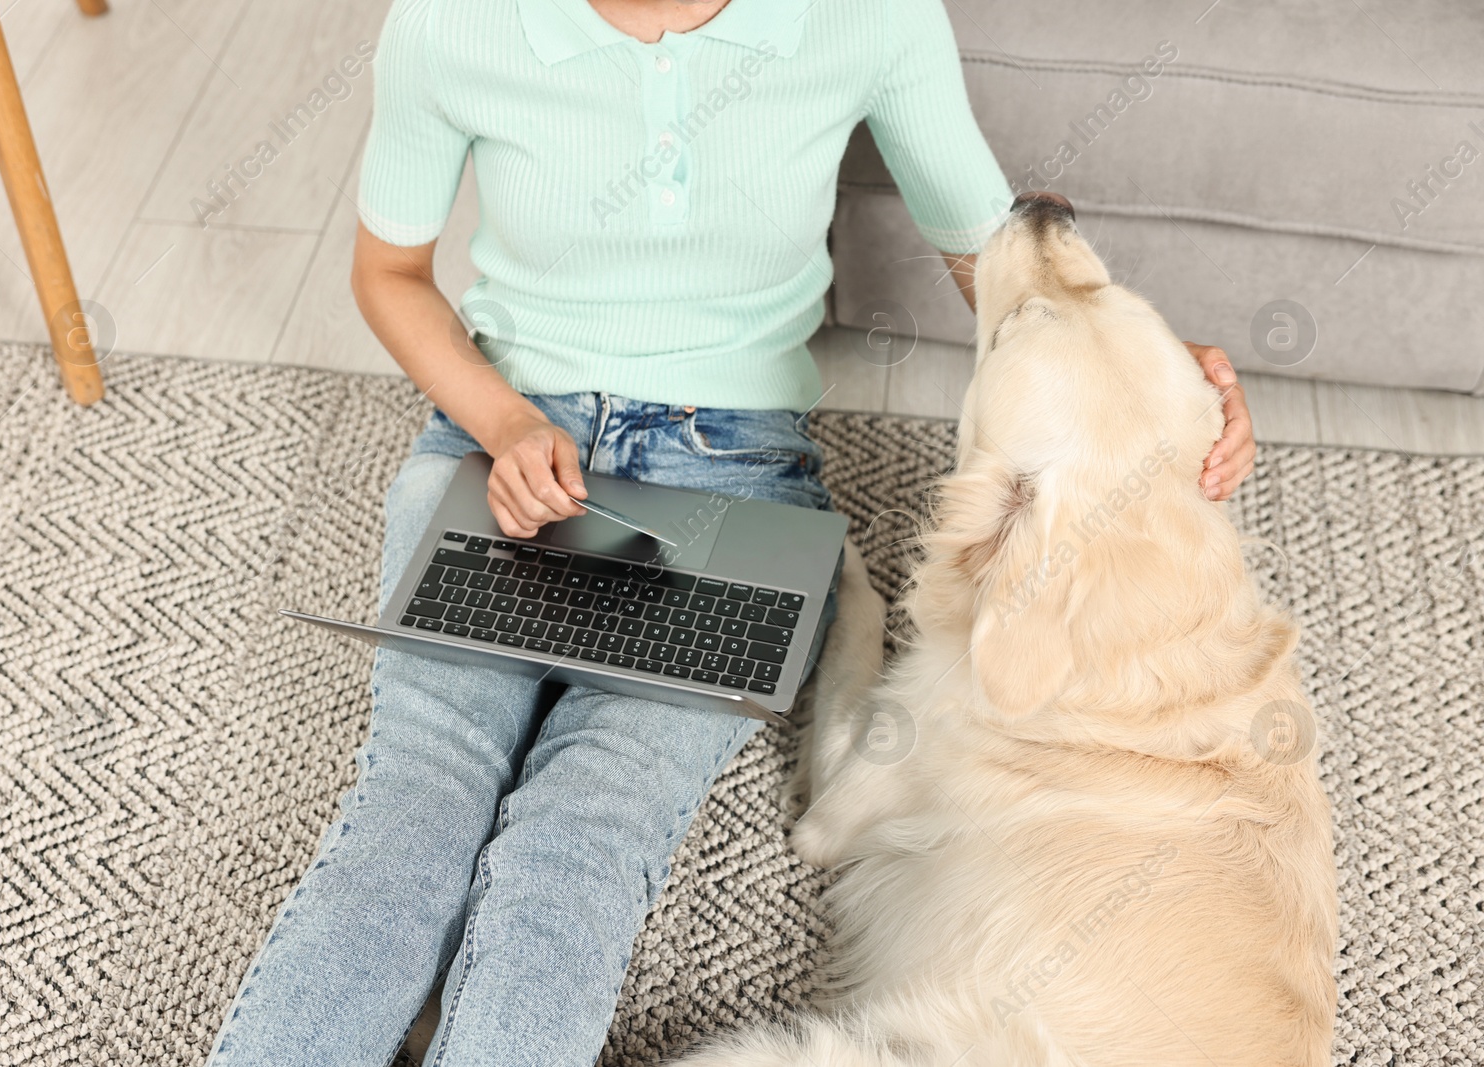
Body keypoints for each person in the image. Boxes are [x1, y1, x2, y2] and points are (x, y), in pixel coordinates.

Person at [202, 1, 1256, 1064]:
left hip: (739, 484)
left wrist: (1157, 379)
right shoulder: (453, 22)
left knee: (583, 835)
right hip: (498, 445)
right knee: (416, 803)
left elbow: (999, 259)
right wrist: (505, 421)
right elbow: (386, 274)